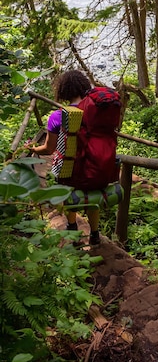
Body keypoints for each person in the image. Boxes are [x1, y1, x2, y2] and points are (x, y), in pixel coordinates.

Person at [31, 70, 101, 246]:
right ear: (84, 87)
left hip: (69, 167)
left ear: (64, 91)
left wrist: (33, 148)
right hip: (94, 164)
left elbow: (49, 148)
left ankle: (72, 229)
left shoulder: (57, 116)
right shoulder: (97, 112)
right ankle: (95, 235)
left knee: (69, 194)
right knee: (92, 197)